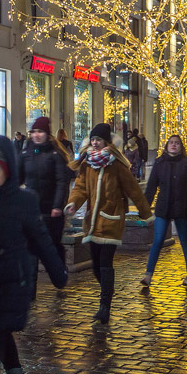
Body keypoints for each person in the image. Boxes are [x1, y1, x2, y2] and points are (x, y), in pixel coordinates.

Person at [0, 135, 68, 374]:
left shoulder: (24, 200)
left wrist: (58, 273)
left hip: (13, 279)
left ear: (8, 170)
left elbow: (41, 240)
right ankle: (15, 371)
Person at [65, 123, 154, 324]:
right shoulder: (88, 164)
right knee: (97, 266)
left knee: (105, 264)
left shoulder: (116, 165)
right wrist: (73, 204)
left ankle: (105, 305)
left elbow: (133, 190)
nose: (95, 143)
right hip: (93, 222)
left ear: (106, 141)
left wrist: (145, 213)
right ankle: (108, 289)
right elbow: (80, 188)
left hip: (112, 220)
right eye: (93, 139)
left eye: (99, 139)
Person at [141, 134, 187, 286]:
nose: (173, 145)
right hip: (163, 207)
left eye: (177, 143)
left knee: (184, 240)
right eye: (171, 142)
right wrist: (144, 206)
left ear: (181, 146)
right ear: (166, 146)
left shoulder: (186, 163)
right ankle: (148, 275)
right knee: (158, 240)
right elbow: (151, 186)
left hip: (181, 207)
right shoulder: (160, 162)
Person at [18, 116, 71, 265]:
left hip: (51, 210)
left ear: (47, 133)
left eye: (40, 131)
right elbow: (17, 178)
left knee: (53, 245)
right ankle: (31, 277)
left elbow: (61, 181)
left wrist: (57, 206)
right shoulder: (26, 153)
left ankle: (60, 272)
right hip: (32, 209)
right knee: (31, 248)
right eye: (34, 131)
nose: (36, 135)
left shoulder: (56, 154)